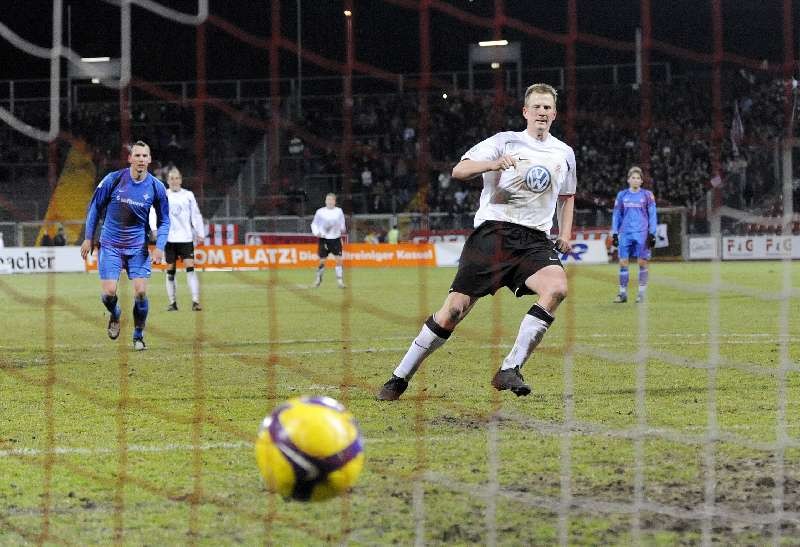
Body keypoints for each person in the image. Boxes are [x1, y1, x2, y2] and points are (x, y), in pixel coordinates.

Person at [377, 82, 576, 400]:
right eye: (536, 106)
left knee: (557, 288)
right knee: (454, 311)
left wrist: (565, 233)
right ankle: (399, 377)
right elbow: (459, 170)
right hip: (494, 233)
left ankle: (510, 369)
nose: (542, 111)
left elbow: (568, 196)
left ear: (554, 113)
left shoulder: (564, 153)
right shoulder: (503, 142)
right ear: (525, 111)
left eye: (547, 107)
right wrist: (493, 164)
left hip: (535, 240)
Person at [80, 140, 169, 351]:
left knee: (140, 292)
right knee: (109, 292)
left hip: (138, 247)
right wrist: (88, 237)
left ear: (149, 159)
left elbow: (165, 220)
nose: (140, 160)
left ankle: (138, 336)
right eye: (136, 155)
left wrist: (160, 246)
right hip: (110, 245)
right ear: (130, 158)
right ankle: (116, 314)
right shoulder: (114, 179)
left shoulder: (157, 187)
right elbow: (95, 208)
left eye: (144, 156)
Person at [149, 167, 205, 311]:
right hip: (169, 239)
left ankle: (195, 301)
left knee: (190, 269)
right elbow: (154, 212)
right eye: (172, 178)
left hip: (185, 238)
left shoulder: (188, 195)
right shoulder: (163, 195)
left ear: (180, 180)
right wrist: (155, 229)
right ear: (168, 181)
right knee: (170, 272)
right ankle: (173, 303)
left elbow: (196, 214)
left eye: (177, 178)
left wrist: (200, 232)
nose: (174, 181)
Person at [611, 166, 658, 303]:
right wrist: (615, 233)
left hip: (642, 234)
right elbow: (617, 215)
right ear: (628, 180)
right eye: (633, 178)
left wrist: (652, 233)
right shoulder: (622, 195)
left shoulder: (647, 195)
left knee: (642, 262)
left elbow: (653, 215)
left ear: (642, 181)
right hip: (625, 234)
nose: (635, 180)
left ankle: (641, 293)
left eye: (638, 178)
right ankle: (622, 293)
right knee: (623, 263)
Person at [310, 193, 346, 288]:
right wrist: (317, 232)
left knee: (339, 260)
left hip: (336, 239)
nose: (330, 201)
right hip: (324, 239)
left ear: (335, 201)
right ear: (325, 201)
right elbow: (314, 224)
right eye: (328, 199)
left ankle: (340, 281)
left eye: (331, 200)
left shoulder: (339, 211)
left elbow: (342, 223)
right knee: (322, 261)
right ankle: (318, 279)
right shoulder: (320, 212)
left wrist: (342, 228)